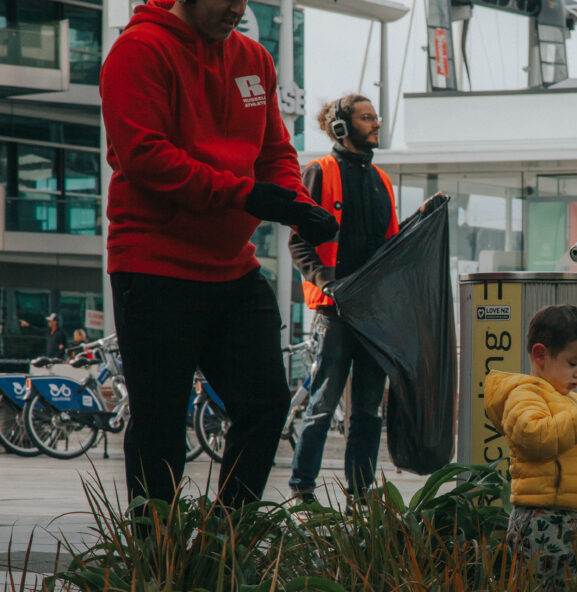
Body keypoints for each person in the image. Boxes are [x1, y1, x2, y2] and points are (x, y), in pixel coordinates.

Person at [99, 0, 339, 509]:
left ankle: (227, 542)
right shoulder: (138, 50)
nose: (237, 8)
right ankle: (154, 554)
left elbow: (275, 152)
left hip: (233, 266)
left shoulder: (253, 58)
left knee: (267, 405)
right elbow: (146, 157)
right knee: (160, 417)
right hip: (154, 264)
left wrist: (297, 204)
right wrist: (246, 195)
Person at [287, 94, 398, 508]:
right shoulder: (320, 172)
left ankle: (360, 494)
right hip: (334, 313)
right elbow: (298, 241)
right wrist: (325, 281)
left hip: (373, 315)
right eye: (367, 117)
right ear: (341, 126)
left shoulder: (381, 180)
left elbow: (392, 247)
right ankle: (302, 489)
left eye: (376, 116)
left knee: (369, 412)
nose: (376, 123)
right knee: (322, 404)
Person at [484, 304, 577, 592]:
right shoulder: (525, 394)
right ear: (540, 355)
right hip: (542, 516)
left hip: (572, 516)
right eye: (572, 363)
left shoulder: (572, 401)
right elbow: (534, 436)